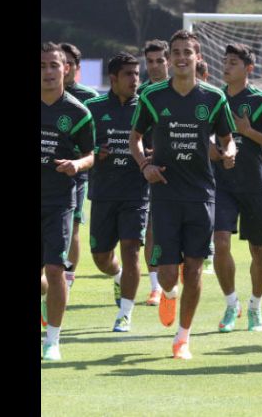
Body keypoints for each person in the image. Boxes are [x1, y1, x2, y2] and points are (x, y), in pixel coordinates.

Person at [129, 29, 236, 359]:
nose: (180, 58)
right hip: (164, 192)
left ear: (197, 57)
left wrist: (230, 151)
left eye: (187, 52)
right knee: (168, 272)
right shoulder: (152, 97)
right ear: (170, 57)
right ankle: (168, 293)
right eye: (175, 52)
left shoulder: (214, 98)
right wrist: (144, 165)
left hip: (202, 193)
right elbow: (134, 138)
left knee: (193, 268)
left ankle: (183, 337)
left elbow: (227, 137)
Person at [210, 44, 262, 332]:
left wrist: (248, 132)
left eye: (233, 62)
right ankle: (231, 305)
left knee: (259, 251)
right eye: (225, 62)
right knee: (220, 243)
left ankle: (255, 307)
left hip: (253, 184)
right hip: (220, 185)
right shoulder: (213, 99)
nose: (226, 67)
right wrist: (214, 152)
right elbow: (201, 134)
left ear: (248, 69)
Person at [84, 53, 151, 332]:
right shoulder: (92, 108)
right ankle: (118, 275)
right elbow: (79, 146)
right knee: (100, 256)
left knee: (131, 250)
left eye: (137, 74)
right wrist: (94, 153)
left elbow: (161, 142)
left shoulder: (148, 107)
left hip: (136, 191)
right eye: (128, 75)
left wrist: (153, 153)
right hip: (103, 191)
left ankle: (125, 313)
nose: (135, 80)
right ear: (113, 78)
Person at [41, 42, 95, 360]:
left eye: (53, 65)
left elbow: (91, 155)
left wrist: (77, 164)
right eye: (42, 65)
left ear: (66, 69)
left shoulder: (78, 113)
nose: (48, 71)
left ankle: (53, 341)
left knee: (55, 268)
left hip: (59, 201)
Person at [59, 42, 100, 291]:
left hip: (77, 173)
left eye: (68, 64)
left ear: (75, 67)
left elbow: (98, 138)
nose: (62, 70)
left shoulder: (90, 98)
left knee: (73, 224)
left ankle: (68, 278)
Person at [138, 39, 170, 306]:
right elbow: (135, 134)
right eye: (150, 62)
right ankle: (155, 287)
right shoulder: (142, 94)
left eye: (160, 60)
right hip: (151, 170)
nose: (155, 66)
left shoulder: (187, 89)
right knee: (151, 229)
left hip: (186, 171)